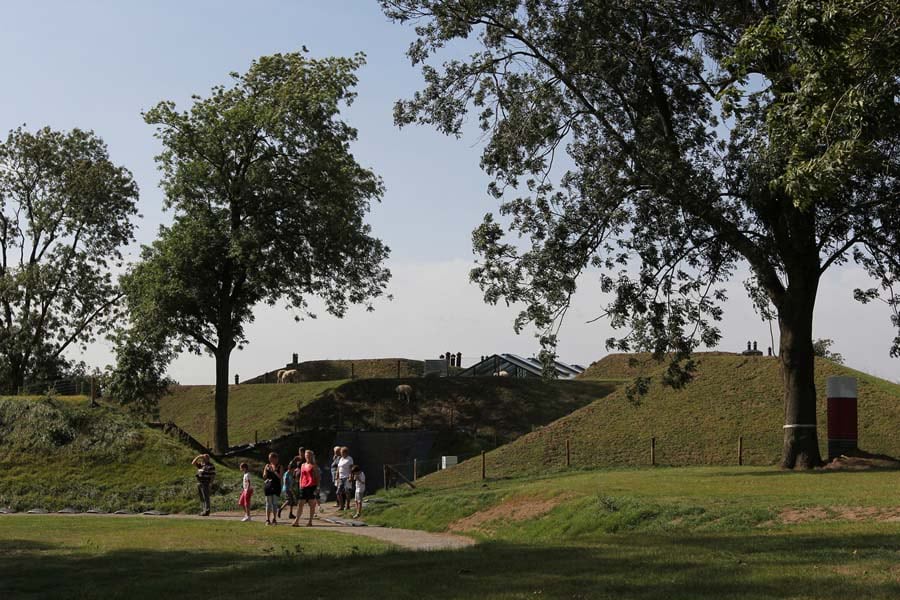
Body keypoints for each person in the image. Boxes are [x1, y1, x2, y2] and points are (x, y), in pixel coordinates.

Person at [293, 449, 320, 527]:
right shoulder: (302, 465)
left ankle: (310, 521)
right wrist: (300, 485)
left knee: (311, 504)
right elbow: (301, 476)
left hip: (312, 486)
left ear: (311, 456)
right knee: (300, 503)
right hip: (303, 486)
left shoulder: (314, 466)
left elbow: (317, 477)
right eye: (306, 455)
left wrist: (317, 488)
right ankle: (296, 521)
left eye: (309, 455)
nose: (307, 457)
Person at [262, 452, 282, 525]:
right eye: (270, 459)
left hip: (276, 486)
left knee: (274, 503)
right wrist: (265, 471)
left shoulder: (280, 466)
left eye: (272, 459)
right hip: (268, 485)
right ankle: (267, 519)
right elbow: (264, 476)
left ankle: (274, 519)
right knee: (268, 503)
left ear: (276, 459)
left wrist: (274, 471)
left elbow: (280, 477)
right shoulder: (267, 465)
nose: (271, 461)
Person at [336, 446, 354, 511]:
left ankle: (348, 505)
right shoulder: (341, 459)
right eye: (341, 452)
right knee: (338, 492)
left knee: (347, 491)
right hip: (341, 477)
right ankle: (341, 506)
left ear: (345, 452)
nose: (341, 453)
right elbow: (338, 468)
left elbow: (351, 468)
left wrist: (350, 476)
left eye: (342, 452)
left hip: (347, 477)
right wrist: (337, 476)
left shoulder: (350, 459)